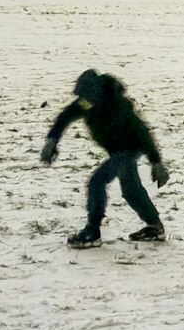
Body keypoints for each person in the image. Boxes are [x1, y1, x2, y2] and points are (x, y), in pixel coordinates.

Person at [41, 70, 168, 247]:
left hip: (128, 149)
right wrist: (52, 141)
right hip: (117, 151)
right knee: (131, 190)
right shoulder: (88, 102)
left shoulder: (118, 107)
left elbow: (143, 133)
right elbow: (65, 117)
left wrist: (156, 162)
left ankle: (92, 231)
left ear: (97, 94)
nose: (83, 102)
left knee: (97, 182)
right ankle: (156, 227)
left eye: (86, 97)